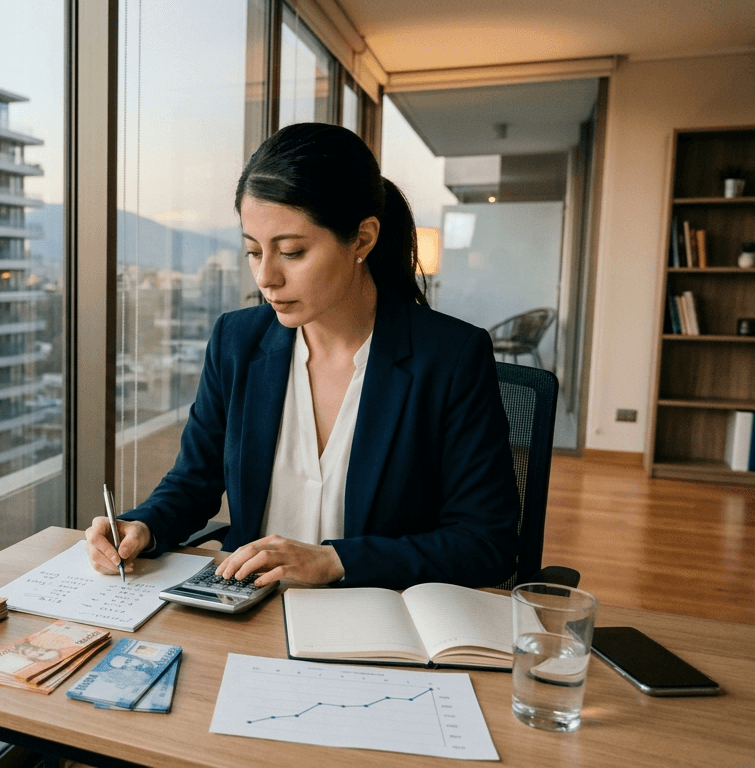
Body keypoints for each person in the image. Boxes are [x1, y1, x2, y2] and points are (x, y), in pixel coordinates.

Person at [85, 122, 519, 591]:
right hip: (247, 612)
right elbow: (194, 481)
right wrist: (143, 527)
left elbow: (486, 543)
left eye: (291, 252)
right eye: (253, 252)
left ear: (362, 239)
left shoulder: (449, 357)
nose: (266, 278)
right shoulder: (236, 341)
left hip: (373, 622)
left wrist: (336, 561)